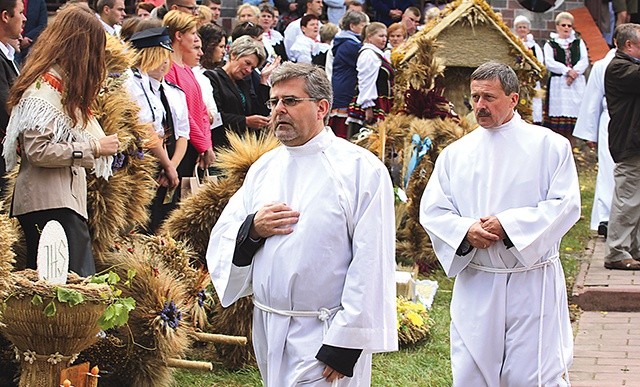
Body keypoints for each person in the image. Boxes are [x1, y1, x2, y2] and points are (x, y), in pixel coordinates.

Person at [206, 61, 397, 386]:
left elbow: (372, 258)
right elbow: (227, 237)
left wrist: (347, 342)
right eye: (274, 102)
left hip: (325, 331)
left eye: (290, 101)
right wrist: (252, 231)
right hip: (270, 322)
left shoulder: (359, 169)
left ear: (322, 107)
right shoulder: (264, 167)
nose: (278, 110)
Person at [419, 62, 580, 386]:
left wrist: (508, 225)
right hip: (478, 279)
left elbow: (566, 205)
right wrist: (465, 230)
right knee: (471, 372)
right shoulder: (456, 154)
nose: (479, 105)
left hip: (530, 280)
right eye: (475, 97)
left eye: (489, 97)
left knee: (532, 374)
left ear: (513, 98)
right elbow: (434, 210)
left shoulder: (549, 146)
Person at [3, 3, 120, 276]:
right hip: (49, 203)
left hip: (60, 201)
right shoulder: (43, 89)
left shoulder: (58, 87)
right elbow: (38, 151)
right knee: (69, 291)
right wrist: (93, 147)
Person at [126, 26, 188, 232]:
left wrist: (172, 166)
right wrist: (167, 166)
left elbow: (182, 134)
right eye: (159, 56)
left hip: (167, 164)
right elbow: (146, 128)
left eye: (167, 56)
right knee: (142, 224)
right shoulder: (132, 83)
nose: (165, 62)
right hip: (145, 161)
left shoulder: (172, 91)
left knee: (164, 224)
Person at [603, 23, 640, 270]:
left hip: (635, 141)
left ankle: (633, 249)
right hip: (629, 142)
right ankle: (616, 252)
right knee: (628, 198)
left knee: (637, 200)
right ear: (629, 45)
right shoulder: (619, 68)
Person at [163, 10, 215, 175]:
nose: (195, 38)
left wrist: (207, 144)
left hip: (196, 146)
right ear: (179, 35)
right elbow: (183, 114)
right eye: (192, 33)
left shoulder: (187, 69)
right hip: (181, 146)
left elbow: (202, 111)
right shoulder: (168, 69)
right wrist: (203, 146)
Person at [574, 46, 617, 237]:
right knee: (608, 171)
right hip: (610, 121)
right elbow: (593, 100)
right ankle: (605, 217)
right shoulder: (602, 66)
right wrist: (589, 133)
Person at [204, 35, 274, 150]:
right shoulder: (211, 77)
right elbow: (214, 117)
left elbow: (258, 112)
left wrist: (263, 80)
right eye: (247, 63)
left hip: (243, 148)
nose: (248, 70)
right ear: (234, 55)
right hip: (222, 147)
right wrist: (245, 121)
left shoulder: (243, 82)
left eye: (252, 68)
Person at [543, 12, 588, 145]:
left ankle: (572, 149)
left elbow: (584, 60)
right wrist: (567, 71)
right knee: (558, 123)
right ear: (557, 27)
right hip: (559, 84)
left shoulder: (578, 43)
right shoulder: (550, 44)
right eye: (563, 25)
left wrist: (575, 72)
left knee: (573, 123)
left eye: (569, 25)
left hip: (576, 83)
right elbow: (550, 62)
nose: (566, 28)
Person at [346, 22, 394, 136]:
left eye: (385, 36)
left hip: (381, 101)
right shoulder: (368, 54)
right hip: (373, 103)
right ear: (370, 38)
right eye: (381, 36)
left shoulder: (378, 54)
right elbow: (365, 81)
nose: (384, 39)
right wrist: (368, 107)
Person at [329, 10, 367, 138]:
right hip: (345, 90)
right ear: (352, 26)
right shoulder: (350, 45)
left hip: (342, 87)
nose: (366, 29)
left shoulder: (345, 42)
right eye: (363, 25)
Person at [0, 0, 24, 195]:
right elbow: (7, 109)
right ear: (5, 16)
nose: (24, 18)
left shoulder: (7, 56)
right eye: (20, 13)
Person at [513, 15, 544, 124]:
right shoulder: (513, 44)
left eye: (524, 27)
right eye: (520, 27)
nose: (522, 29)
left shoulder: (534, 46)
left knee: (533, 103)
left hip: (531, 81)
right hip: (517, 81)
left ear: (528, 30)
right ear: (516, 29)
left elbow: (540, 63)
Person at [15, 0, 46, 64]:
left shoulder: (39, 2)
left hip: (30, 45)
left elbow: (43, 25)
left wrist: (28, 37)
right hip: (12, 42)